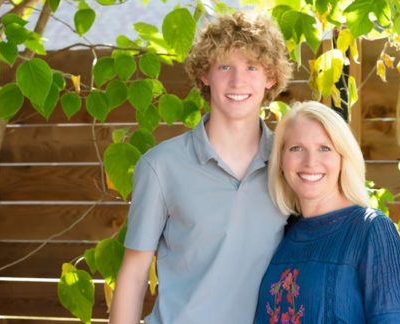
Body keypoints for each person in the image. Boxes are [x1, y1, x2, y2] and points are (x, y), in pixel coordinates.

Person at [109, 11, 293, 324]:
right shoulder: (160, 166)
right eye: (225, 66)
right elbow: (135, 273)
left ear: (271, 77)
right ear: (205, 75)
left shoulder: (289, 162)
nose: (238, 81)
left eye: (251, 67)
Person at [255, 101, 400, 323]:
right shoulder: (281, 232)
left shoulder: (371, 230)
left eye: (324, 148)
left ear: (342, 158)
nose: (310, 162)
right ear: (280, 160)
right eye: (296, 148)